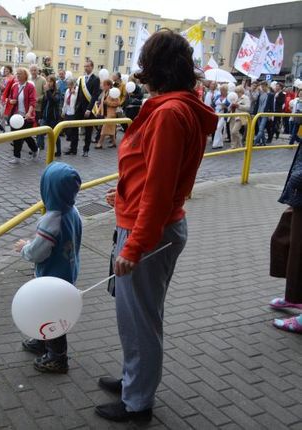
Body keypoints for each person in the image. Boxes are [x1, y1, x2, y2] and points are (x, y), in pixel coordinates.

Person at [96, 29, 217, 423]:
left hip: (150, 233)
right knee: (139, 316)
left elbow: (161, 187)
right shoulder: (178, 106)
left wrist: (134, 247)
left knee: (140, 320)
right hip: (154, 226)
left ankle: (137, 401)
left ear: (155, 66)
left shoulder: (168, 113)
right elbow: (153, 175)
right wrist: (125, 194)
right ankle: (136, 379)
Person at [14, 162, 82, 373]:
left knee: (52, 315)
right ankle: (43, 341)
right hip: (68, 273)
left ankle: (57, 357)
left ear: (48, 189)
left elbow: (38, 251)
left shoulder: (52, 220)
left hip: (51, 279)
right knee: (48, 311)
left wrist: (25, 248)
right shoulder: (73, 211)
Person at [269, 136, 302, 332]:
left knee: (299, 250)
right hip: (298, 196)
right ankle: (295, 295)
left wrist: (297, 179)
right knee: (283, 237)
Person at [8, 67, 38, 164]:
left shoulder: (30, 86)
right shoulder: (14, 86)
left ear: (25, 75)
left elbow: (33, 101)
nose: (18, 75)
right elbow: (10, 98)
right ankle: (16, 157)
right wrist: (11, 101)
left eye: (20, 73)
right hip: (16, 117)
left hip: (27, 117)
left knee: (26, 136)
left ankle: (35, 149)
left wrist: (29, 112)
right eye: (17, 73)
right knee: (16, 137)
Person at [73, 60, 101, 157]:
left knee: (88, 130)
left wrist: (89, 109)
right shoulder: (82, 79)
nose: (86, 68)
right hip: (80, 107)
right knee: (74, 127)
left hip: (89, 109)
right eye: (84, 66)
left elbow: (94, 95)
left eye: (88, 66)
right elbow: (79, 93)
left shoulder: (96, 79)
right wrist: (76, 106)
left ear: (92, 67)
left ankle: (86, 149)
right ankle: (73, 148)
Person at [95, 79, 121, 149]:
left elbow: (118, 103)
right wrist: (98, 111)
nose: (103, 86)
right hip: (105, 113)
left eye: (104, 85)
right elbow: (102, 103)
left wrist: (108, 103)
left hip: (111, 114)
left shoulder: (114, 92)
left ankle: (99, 143)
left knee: (104, 128)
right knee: (111, 129)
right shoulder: (105, 92)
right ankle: (114, 143)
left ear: (109, 86)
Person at [42, 75, 62, 157]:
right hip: (46, 116)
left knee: (55, 135)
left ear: (54, 82)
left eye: (50, 81)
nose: (49, 83)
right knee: (40, 133)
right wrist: (41, 115)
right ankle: (37, 148)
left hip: (53, 117)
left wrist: (47, 91)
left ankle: (59, 151)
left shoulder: (57, 92)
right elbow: (44, 103)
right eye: (47, 81)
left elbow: (54, 100)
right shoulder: (47, 92)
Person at [30, 65, 46, 150]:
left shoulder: (43, 80)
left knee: (40, 126)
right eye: (32, 70)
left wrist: (38, 99)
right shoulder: (29, 80)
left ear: (38, 71)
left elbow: (46, 94)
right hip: (30, 108)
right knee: (31, 126)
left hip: (39, 108)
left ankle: (40, 144)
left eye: (35, 70)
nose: (33, 72)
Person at [254, 81, 274, 146]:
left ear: (266, 86)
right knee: (260, 128)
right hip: (258, 113)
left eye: (263, 86)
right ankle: (264, 142)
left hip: (265, 113)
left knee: (261, 129)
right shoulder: (260, 94)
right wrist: (255, 113)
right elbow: (257, 104)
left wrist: (271, 114)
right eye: (261, 86)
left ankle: (254, 141)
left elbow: (271, 105)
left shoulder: (270, 95)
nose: (262, 88)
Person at [61, 78, 78, 155]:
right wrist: (63, 111)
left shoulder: (77, 90)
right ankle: (72, 145)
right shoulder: (67, 91)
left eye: (70, 85)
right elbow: (65, 102)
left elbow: (77, 100)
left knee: (74, 131)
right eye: (68, 85)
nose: (68, 86)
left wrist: (74, 92)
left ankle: (73, 149)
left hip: (74, 113)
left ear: (73, 84)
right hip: (67, 112)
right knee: (67, 130)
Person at [212, 84, 229, 149]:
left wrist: (225, 106)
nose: (221, 91)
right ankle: (220, 143)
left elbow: (230, 106)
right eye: (221, 90)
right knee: (217, 128)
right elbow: (213, 104)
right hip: (216, 113)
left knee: (218, 127)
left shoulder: (228, 97)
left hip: (223, 114)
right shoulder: (217, 96)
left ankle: (215, 144)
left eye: (223, 90)